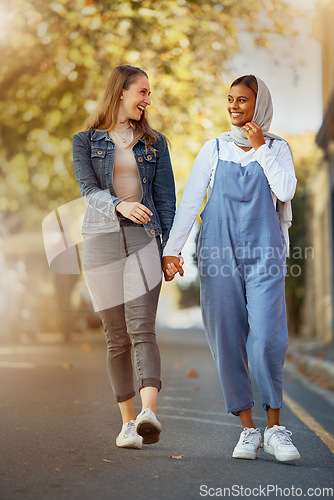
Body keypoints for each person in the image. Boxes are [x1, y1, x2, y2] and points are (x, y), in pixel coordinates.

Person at [162, 75, 301, 462]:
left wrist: (261, 148)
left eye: (242, 100)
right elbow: (191, 201)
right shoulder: (214, 148)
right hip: (217, 253)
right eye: (230, 99)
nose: (234, 106)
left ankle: (275, 428)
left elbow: (286, 191)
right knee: (227, 337)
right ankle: (248, 430)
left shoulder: (277, 148)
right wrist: (172, 251)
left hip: (265, 254)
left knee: (268, 339)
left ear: (260, 105)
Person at [73, 65, 176, 449]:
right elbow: (87, 189)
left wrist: (169, 251)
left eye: (149, 94)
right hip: (99, 240)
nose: (148, 99)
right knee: (116, 337)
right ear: (121, 92)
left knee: (142, 328)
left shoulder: (155, 143)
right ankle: (128, 424)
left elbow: (166, 200)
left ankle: (149, 412)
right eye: (143, 92)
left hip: (144, 239)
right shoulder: (85, 140)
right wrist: (120, 205)